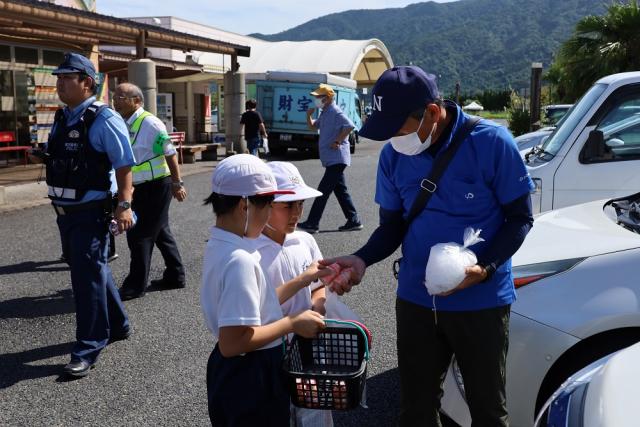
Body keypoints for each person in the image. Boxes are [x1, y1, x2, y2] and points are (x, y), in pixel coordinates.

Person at [323, 66, 535, 426]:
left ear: (433, 113)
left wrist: (485, 269)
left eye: (398, 127)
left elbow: (520, 218)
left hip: (481, 301)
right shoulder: (393, 156)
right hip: (417, 300)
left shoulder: (492, 142)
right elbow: (392, 226)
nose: (393, 138)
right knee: (416, 408)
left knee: (487, 409)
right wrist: (361, 259)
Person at [201, 154, 326, 426]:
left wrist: (303, 281)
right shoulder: (240, 260)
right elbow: (233, 343)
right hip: (251, 372)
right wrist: (293, 323)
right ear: (244, 205)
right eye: (269, 205)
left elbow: (261, 304)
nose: (271, 214)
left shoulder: (221, 244)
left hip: (233, 372)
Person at [30, 53, 135, 377]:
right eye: (58, 77)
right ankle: (118, 323)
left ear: (87, 82)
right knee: (92, 269)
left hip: (90, 212)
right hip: (66, 212)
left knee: (85, 278)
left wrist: (125, 204)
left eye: (67, 78)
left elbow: (124, 165)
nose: (59, 83)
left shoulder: (104, 118)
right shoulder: (64, 117)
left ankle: (88, 346)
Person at [252, 161, 333, 427]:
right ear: (263, 205)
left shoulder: (305, 240)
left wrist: (318, 306)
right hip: (268, 347)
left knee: (314, 412)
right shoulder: (250, 252)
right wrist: (302, 279)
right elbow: (255, 307)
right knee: (275, 412)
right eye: (288, 206)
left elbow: (319, 286)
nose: (296, 212)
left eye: (300, 205)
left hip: (307, 344)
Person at [113, 83, 187, 301]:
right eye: (115, 96)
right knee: (161, 231)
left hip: (156, 185)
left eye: (121, 97)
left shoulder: (150, 123)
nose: (115, 100)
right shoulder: (122, 122)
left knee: (140, 235)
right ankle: (175, 275)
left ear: (136, 100)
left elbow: (170, 154)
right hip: (137, 186)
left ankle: (135, 286)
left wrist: (177, 183)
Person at [297, 84, 362, 234]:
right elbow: (314, 127)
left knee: (323, 191)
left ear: (328, 98)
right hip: (333, 159)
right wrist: (308, 116)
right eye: (317, 97)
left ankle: (312, 223)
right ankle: (353, 220)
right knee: (340, 190)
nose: (317, 99)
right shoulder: (325, 111)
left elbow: (350, 125)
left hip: (337, 158)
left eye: (319, 97)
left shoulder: (335, 111)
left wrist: (338, 141)